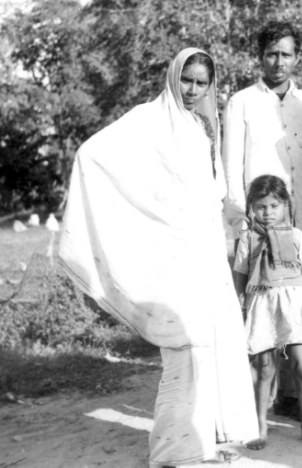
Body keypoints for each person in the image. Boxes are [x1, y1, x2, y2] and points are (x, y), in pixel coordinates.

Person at [58, 48, 259, 466]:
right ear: (173, 76)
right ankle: (172, 450)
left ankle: (205, 442)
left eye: (202, 82)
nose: (192, 89)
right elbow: (91, 154)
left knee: (212, 345)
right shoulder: (146, 119)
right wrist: (159, 213)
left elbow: (213, 187)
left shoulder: (204, 124)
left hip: (205, 250)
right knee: (183, 347)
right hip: (173, 253)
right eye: (187, 80)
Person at [223, 20, 302, 422]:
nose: (279, 62)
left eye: (286, 54)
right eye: (271, 54)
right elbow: (231, 169)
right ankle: (256, 399)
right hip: (260, 230)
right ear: (260, 57)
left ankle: (299, 397)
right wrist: (241, 227)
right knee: (262, 316)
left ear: (296, 57)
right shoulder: (241, 103)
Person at [233, 175, 302, 449]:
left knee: (300, 366)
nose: (268, 212)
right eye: (261, 206)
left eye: (274, 206)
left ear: (285, 205)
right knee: (265, 368)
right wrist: (240, 307)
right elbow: (240, 274)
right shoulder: (248, 239)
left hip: (292, 306)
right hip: (261, 305)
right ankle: (260, 428)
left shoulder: (295, 236)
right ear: (252, 207)